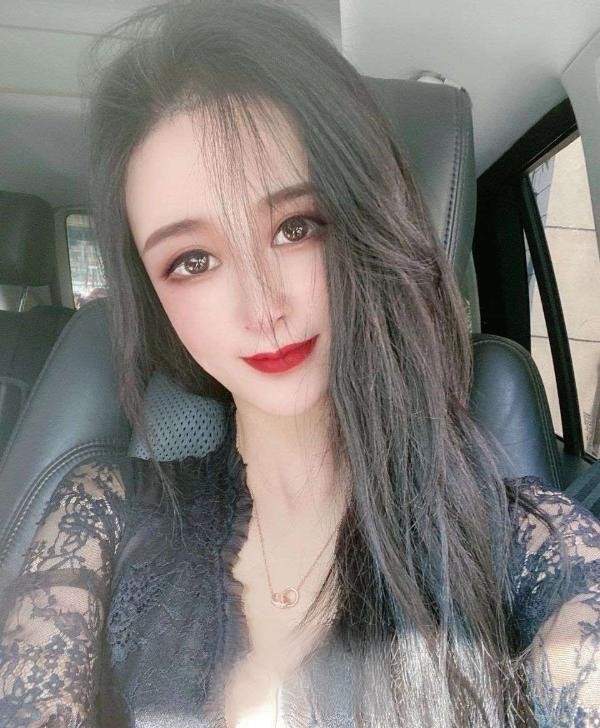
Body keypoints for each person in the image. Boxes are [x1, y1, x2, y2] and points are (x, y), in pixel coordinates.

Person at [1, 1, 599, 726]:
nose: (262, 306)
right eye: (193, 260)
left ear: (367, 223)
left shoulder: (528, 544)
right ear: (156, 299)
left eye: (296, 226)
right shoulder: (102, 515)